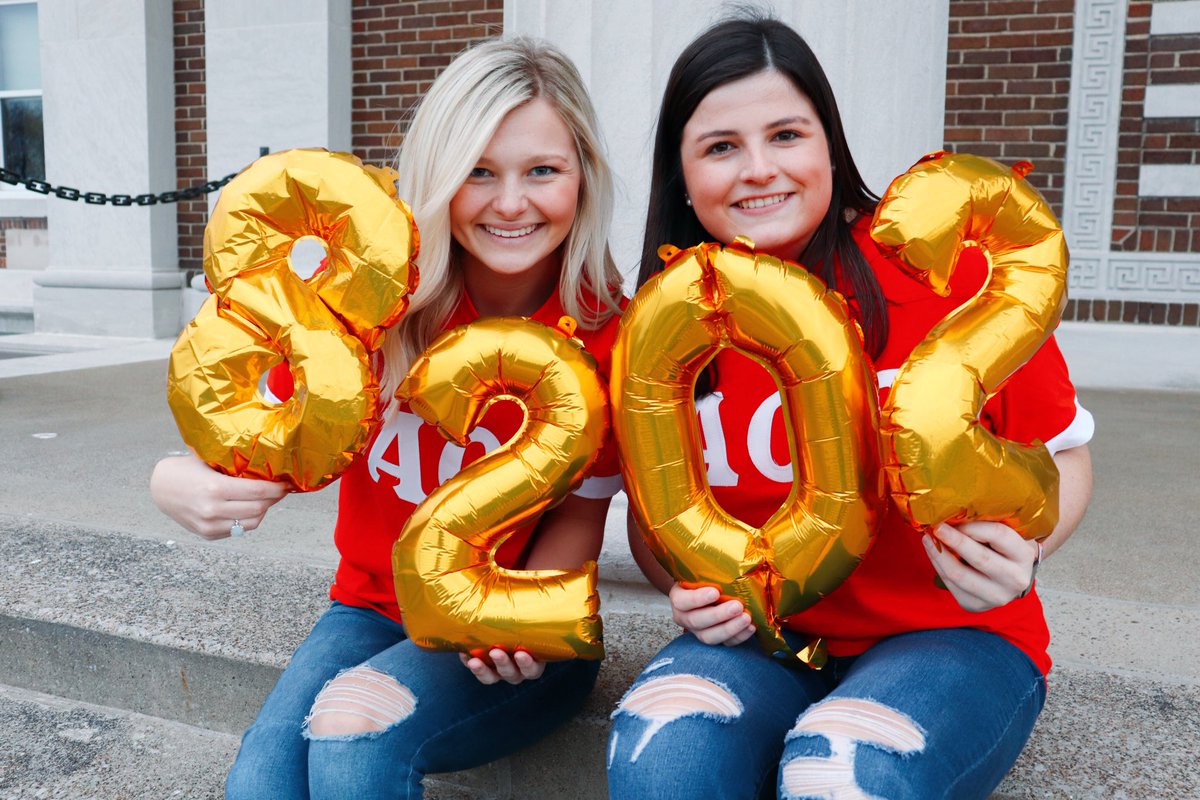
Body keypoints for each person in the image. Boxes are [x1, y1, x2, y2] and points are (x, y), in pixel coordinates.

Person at [605, 15, 1094, 800]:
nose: (758, 170)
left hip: (951, 636)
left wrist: (1028, 552)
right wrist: (685, 589)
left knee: (841, 775)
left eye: (786, 135)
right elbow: (652, 524)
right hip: (767, 642)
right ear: (682, 177)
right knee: (660, 761)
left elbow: (1064, 456)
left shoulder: (945, 271)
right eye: (721, 147)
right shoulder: (666, 327)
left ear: (829, 145)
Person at [152, 37, 624, 799]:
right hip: (368, 609)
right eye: (478, 171)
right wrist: (172, 478)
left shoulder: (608, 331)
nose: (511, 203)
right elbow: (260, 425)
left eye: (543, 170)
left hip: (512, 628)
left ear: (584, 177)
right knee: (260, 786)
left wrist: (520, 619)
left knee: (355, 745)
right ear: (438, 176)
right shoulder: (370, 302)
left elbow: (579, 515)